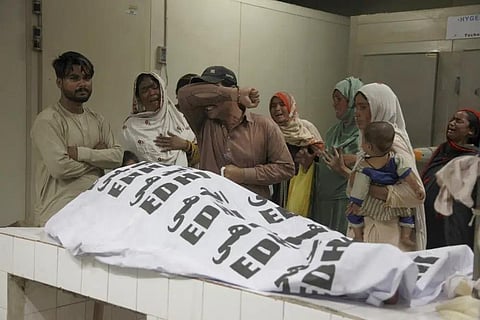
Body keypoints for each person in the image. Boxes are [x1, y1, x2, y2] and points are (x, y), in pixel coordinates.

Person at [323, 83, 426, 251]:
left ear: (380, 107)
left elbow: (417, 195)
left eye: (363, 107)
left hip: (386, 234)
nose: (357, 113)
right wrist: (344, 171)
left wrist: (366, 189)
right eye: (356, 107)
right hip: (365, 229)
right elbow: (363, 180)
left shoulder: (391, 140)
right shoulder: (368, 138)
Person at [30, 51, 123, 226]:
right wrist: (99, 159)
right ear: (59, 83)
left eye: (86, 78)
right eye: (74, 78)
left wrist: (81, 153)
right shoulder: (47, 120)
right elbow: (60, 168)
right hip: (57, 215)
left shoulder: (98, 119)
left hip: (94, 212)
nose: (82, 84)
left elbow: (117, 157)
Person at [177, 65, 295, 199]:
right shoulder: (203, 122)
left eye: (213, 91)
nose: (206, 99)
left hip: (251, 213)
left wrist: (243, 174)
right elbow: (183, 94)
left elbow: (286, 168)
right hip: (213, 210)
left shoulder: (264, 126)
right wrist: (235, 94)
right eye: (205, 95)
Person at [347, 121, 425, 248]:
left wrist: (356, 203)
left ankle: (358, 235)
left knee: (353, 214)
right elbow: (407, 174)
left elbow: (359, 189)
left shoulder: (365, 167)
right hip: (393, 211)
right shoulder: (396, 159)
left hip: (377, 214)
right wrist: (416, 187)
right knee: (406, 214)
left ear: (369, 146)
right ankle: (406, 236)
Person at [310, 76, 363, 234]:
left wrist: (350, 160)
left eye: (339, 99)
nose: (334, 103)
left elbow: (370, 166)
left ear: (352, 101)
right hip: (324, 198)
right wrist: (312, 160)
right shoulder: (333, 131)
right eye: (334, 99)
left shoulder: (364, 134)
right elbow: (328, 160)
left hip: (346, 200)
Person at [422, 109, 480, 250]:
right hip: (428, 220)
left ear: (471, 131)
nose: (452, 124)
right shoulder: (442, 151)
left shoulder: (473, 161)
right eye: (452, 120)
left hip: (454, 226)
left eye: (459, 121)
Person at [122, 72, 199, 167]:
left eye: (154, 87)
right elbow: (125, 162)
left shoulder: (180, 119)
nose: (151, 93)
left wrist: (185, 145)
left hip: (182, 179)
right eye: (144, 90)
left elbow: (202, 156)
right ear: (138, 98)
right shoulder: (130, 127)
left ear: (162, 90)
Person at [269, 91, 323, 215]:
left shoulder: (305, 128)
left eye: (282, 104)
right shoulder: (270, 130)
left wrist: (310, 163)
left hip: (305, 188)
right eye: (273, 106)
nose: (277, 109)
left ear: (290, 106)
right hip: (278, 189)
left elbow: (322, 159)